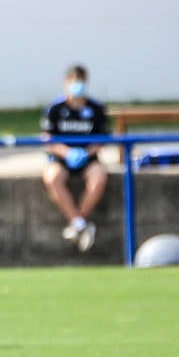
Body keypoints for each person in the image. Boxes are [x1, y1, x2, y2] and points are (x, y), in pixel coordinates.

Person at [41, 64, 109, 253]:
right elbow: (48, 139)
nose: (77, 85)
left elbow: (103, 139)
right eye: (73, 81)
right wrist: (67, 153)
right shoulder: (55, 108)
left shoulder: (96, 108)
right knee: (53, 178)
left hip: (88, 158)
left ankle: (78, 222)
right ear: (66, 83)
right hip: (62, 158)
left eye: (81, 81)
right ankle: (80, 224)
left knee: (99, 178)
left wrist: (86, 154)